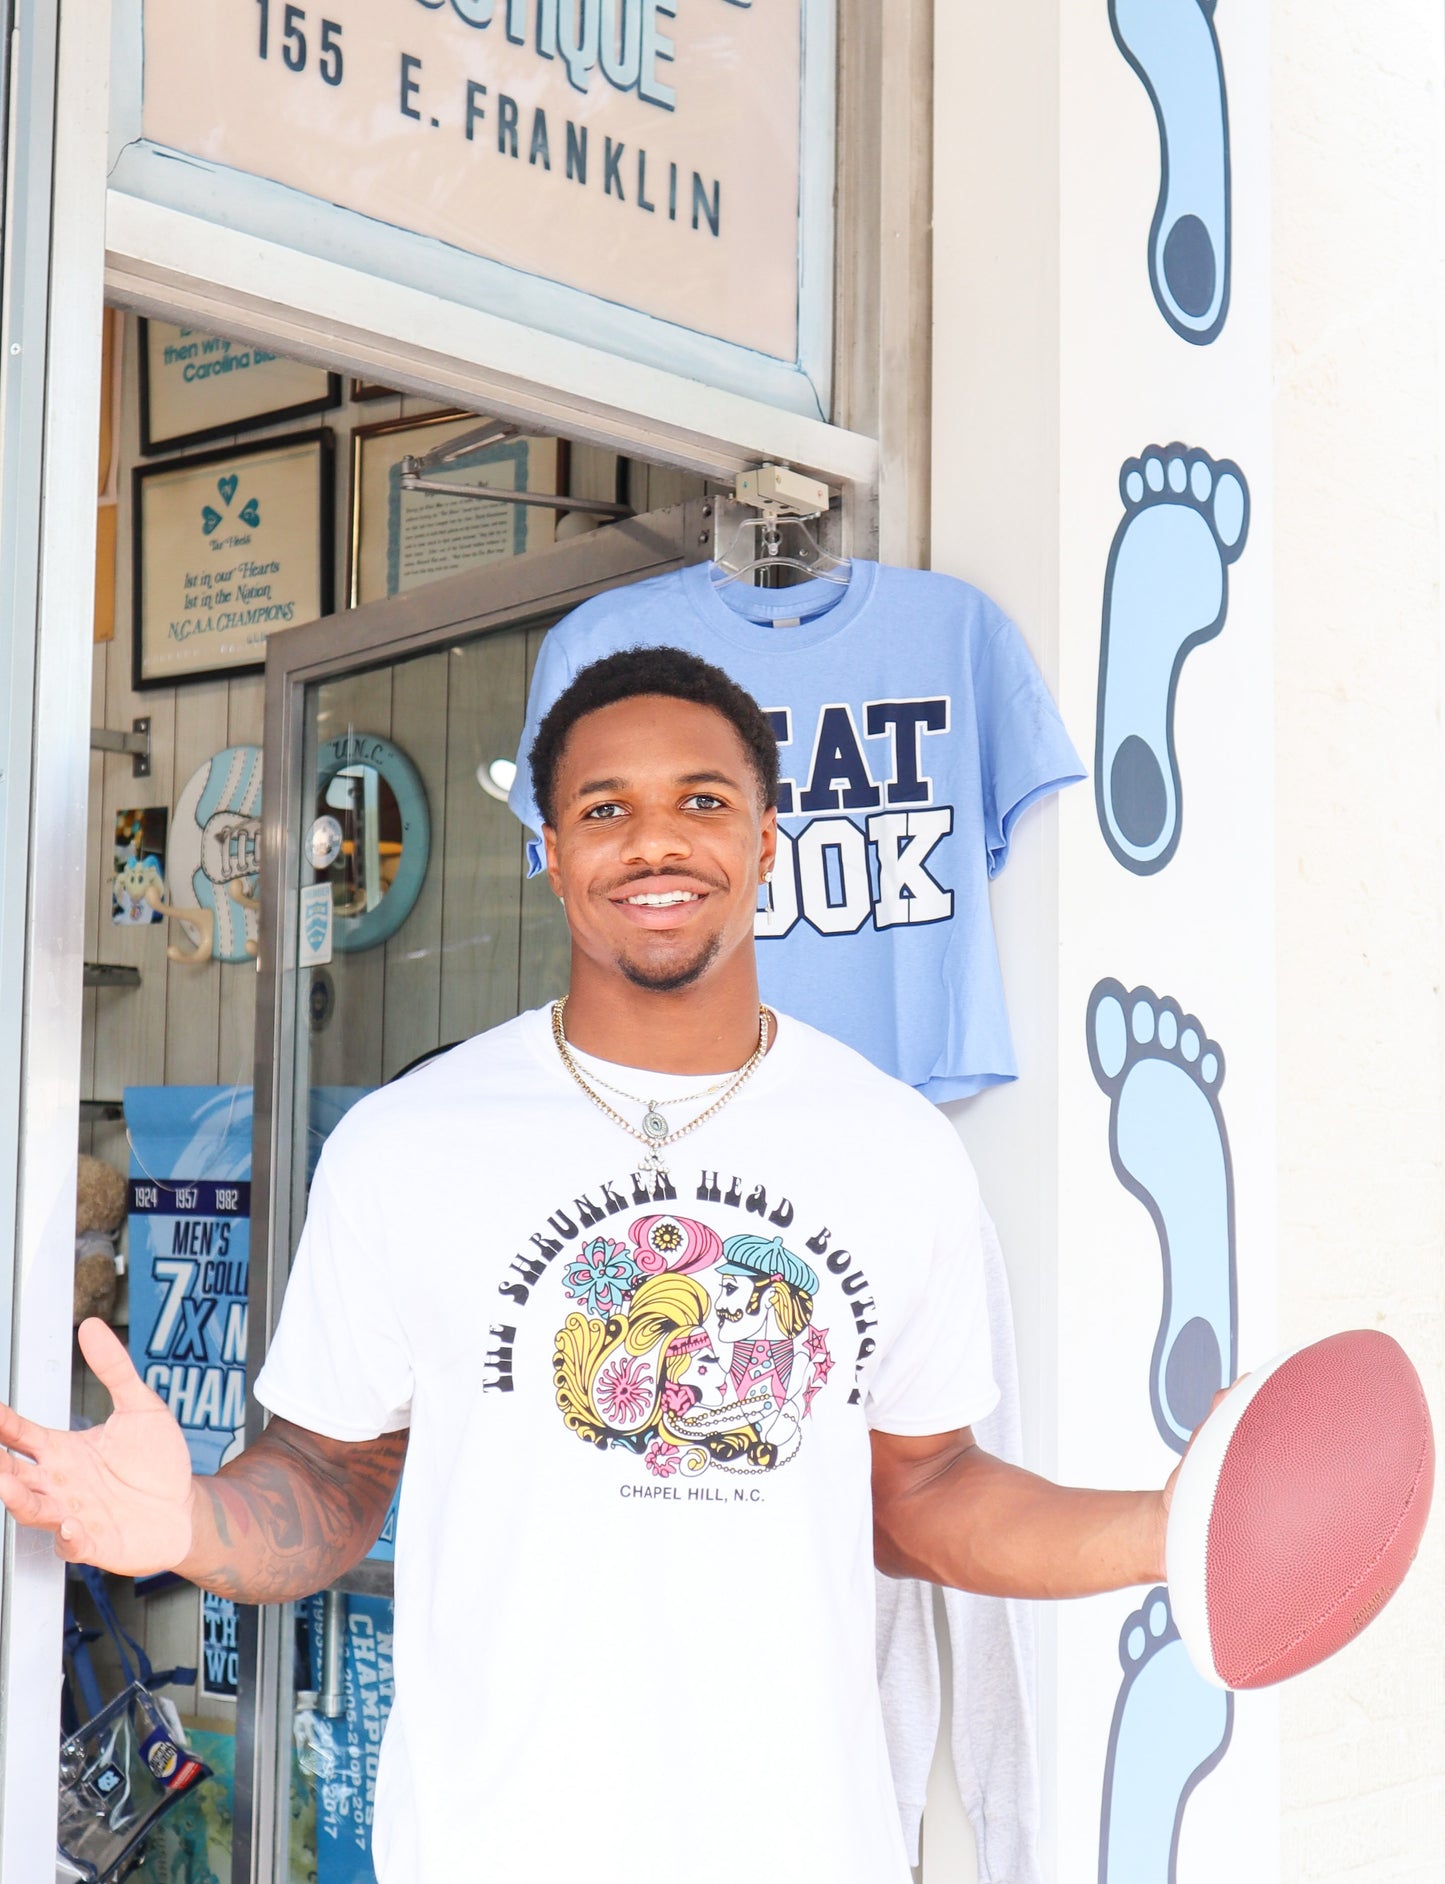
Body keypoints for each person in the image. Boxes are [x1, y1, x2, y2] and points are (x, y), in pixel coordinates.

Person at [0, 646, 1182, 1884]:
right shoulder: (411, 1144)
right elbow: (327, 1480)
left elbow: (927, 1491)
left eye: (704, 802)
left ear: (768, 841)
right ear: (551, 855)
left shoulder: (896, 1150)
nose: (655, 842)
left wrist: (1164, 1530)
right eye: (605, 809)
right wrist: (184, 1520)